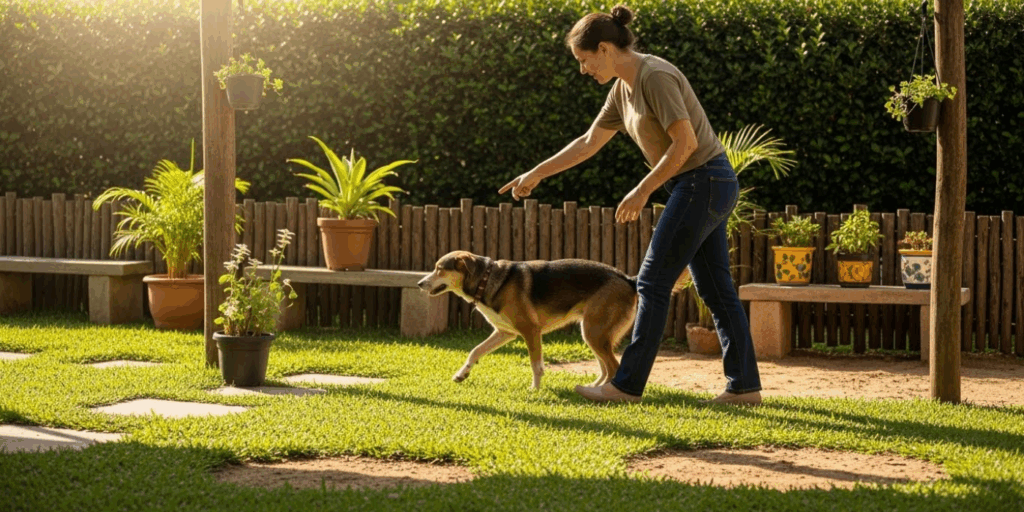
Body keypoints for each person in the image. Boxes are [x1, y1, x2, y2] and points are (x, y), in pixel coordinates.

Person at [499, 4, 762, 405]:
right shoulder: (621, 90)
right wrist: (536, 173)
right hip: (699, 184)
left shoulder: (654, 76)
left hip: (703, 180)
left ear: (605, 48)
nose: (583, 70)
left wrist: (642, 191)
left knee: (653, 283)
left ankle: (626, 385)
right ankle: (744, 388)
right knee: (716, 290)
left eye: (585, 60)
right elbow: (587, 143)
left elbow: (686, 144)